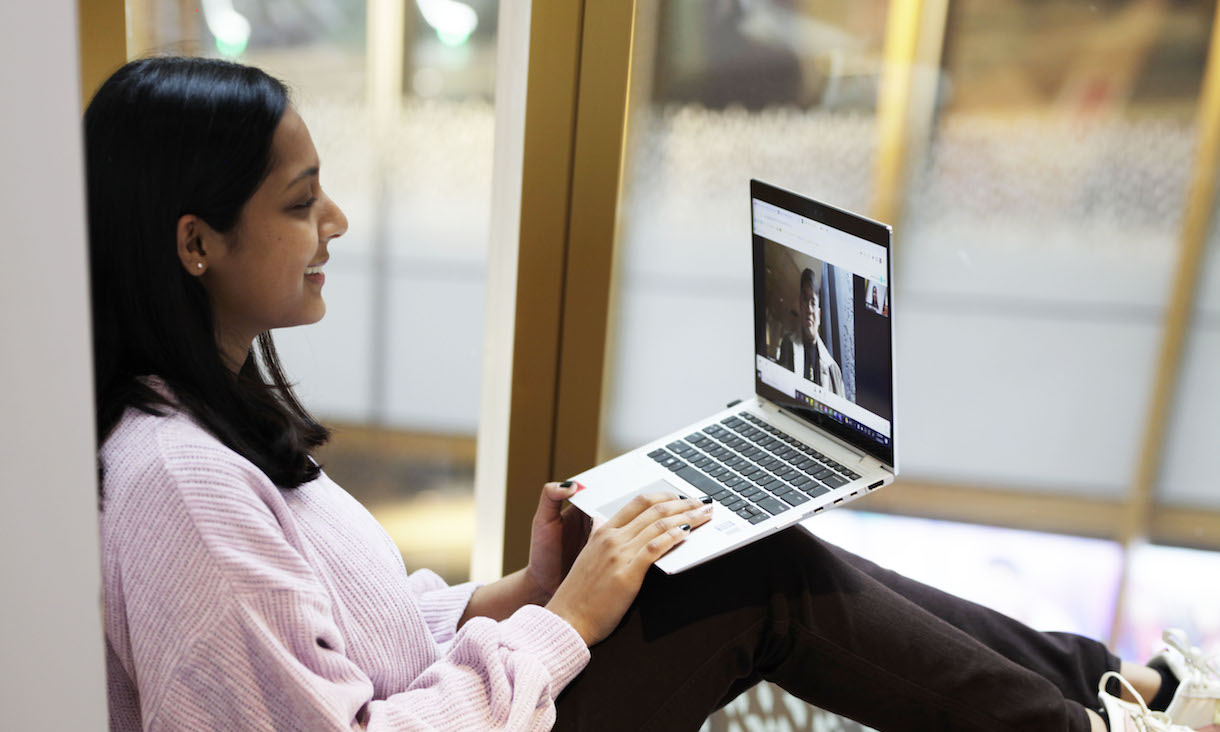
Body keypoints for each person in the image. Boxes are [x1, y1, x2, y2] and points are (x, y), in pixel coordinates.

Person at [88, 57, 1217, 732]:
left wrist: (520, 589)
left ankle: (1101, 688)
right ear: (195, 242)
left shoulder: (205, 424)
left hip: (484, 696)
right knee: (754, 577)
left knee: (727, 543)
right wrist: (566, 621)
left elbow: (354, 646)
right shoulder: (180, 486)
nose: (334, 223)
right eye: (300, 203)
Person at [777, 267, 846, 397]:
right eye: (805, 300)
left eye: (813, 303)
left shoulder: (833, 370)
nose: (809, 309)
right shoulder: (788, 345)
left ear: (819, 314)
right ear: (800, 309)